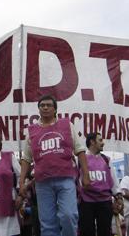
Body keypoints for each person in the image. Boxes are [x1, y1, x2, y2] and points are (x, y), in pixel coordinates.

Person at [19, 95, 90, 236]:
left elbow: (80, 150)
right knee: (47, 223)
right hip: (42, 182)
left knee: (68, 216)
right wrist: (21, 182)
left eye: (48, 105)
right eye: (42, 105)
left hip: (66, 179)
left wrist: (86, 175)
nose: (45, 107)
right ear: (38, 109)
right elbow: (26, 159)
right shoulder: (31, 131)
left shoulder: (67, 125)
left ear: (55, 109)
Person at [79, 132, 120, 236]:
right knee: (87, 231)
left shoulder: (106, 159)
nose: (103, 143)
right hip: (86, 202)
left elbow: (113, 180)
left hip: (105, 202)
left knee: (105, 231)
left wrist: (118, 197)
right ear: (92, 142)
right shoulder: (81, 159)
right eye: (100, 140)